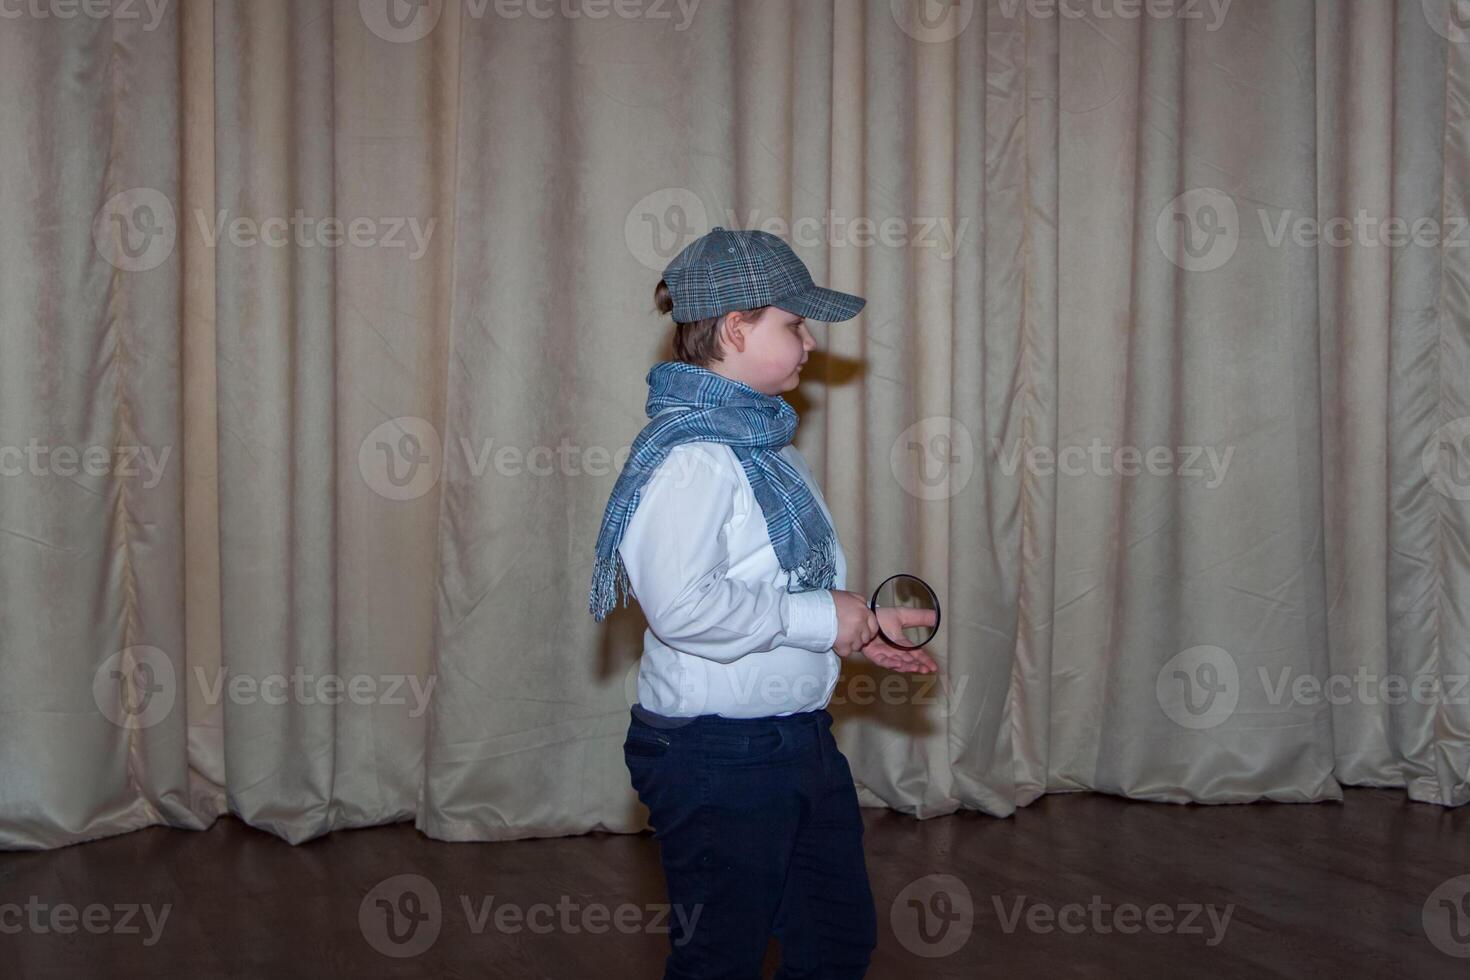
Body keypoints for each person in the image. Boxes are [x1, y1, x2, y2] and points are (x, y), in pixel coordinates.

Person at [588, 226, 939, 979]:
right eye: (795, 324)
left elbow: (770, 584)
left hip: (793, 741)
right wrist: (818, 618)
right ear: (737, 328)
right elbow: (684, 608)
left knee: (836, 936)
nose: (810, 343)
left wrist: (854, 628)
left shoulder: (761, 446)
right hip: (716, 755)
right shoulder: (693, 457)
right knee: (722, 954)